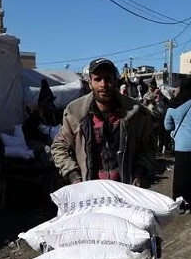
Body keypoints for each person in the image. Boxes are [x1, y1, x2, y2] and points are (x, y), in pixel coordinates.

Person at [52, 58, 156, 186]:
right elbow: (59, 147)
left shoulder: (134, 113)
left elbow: (149, 148)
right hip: (89, 190)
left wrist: (138, 173)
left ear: (115, 81)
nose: (103, 84)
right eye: (97, 79)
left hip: (126, 190)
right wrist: (74, 177)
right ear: (90, 83)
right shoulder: (75, 113)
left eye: (108, 79)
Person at [164, 78, 191, 211]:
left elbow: (167, 126)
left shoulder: (173, 104)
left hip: (181, 145)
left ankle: (180, 204)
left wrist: (175, 130)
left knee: (181, 176)